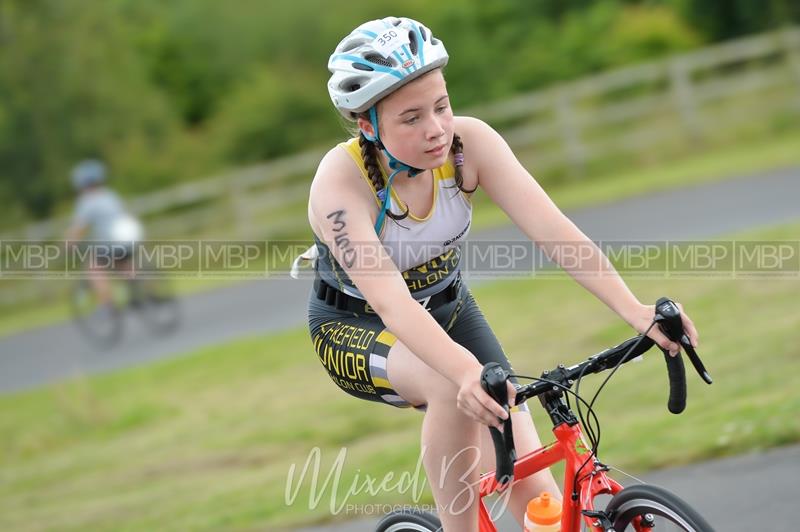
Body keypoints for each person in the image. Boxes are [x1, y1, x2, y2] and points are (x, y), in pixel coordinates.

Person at [302, 17, 699, 531]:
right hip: (355, 327)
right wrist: (465, 373)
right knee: (450, 385)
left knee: (540, 500)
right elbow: (393, 305)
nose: (436, 129)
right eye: (411, 118)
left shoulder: (468, 145)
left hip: (449, 307)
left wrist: (637, 311)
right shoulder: (341, 183)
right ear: (367, 125)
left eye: (441, 106)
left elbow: (555, 233)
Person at [66, 159, 144, 313]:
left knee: (94, 266)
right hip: (129, 239)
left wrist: (69, 244)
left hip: (112, 242)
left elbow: (78, 228)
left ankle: (106, 304)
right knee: (121, 261)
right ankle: (140, 290)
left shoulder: (87, 201)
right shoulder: (110, 195)